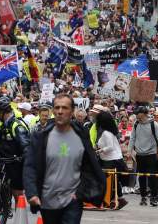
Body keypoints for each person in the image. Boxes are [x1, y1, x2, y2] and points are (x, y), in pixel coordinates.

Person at [23, 94, 105, 224]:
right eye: (57, 107)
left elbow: (89, 166)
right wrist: (32, 193)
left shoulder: (81, 136)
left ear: (72, 111)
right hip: (48, 201)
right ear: (53, 111)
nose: (60, 111)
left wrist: (79, 193)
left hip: (72, 201)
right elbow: (30, 166)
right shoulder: (41, 137)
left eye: (65, 108)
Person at [0, 99, 30, 199]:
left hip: (16, 160)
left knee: (17, 193)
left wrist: (25, 158)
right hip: (3, 158)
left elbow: (26, 145)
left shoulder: (17, 125)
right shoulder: (1, 124)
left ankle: (19, 213)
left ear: (3, 113)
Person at [128, 106, 158, 207]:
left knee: (152, 177)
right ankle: (143, 197)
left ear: (145, 114)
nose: (138, 119)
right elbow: (132, 138)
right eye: (137, 117)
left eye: (139, 117)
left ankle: (153, 197)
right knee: (142, 177)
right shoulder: (136, 124)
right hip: (139, 155)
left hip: (151, 154)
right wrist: (129, 151)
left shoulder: (154, 124)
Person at [95, 111, 128, 209]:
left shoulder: (106, 133)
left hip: (111, 160)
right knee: (114, 181)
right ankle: (118, 199)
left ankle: (114, 199)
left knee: (110, 181)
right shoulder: (110, 132)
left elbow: (110, 147)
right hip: (112, 159)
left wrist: (98, 151)